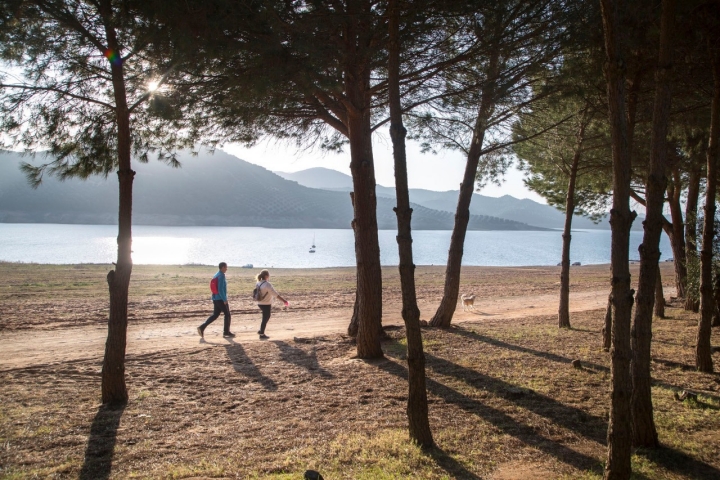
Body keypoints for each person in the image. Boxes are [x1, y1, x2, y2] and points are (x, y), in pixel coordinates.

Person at [197, 262, 234, 338]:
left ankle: (202, 327)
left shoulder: (216, 274)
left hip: (215, 298)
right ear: (223, 267)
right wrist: (224, 299)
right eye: (226, 267)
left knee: (215, 315)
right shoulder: (221, 276)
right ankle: (226, 332)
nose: (227, 269)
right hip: (220, 299)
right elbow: (220, 289)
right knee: (227, 314)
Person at [255, 269, 288, 339]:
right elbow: (275, 294)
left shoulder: (258, 283)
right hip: (266, 304)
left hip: (259, 303)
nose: (269, 276)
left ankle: (261, 330)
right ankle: (262, 334)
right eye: (268, 275)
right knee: (265, 317)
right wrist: (284, 301)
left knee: (266, 316)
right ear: (266, 276)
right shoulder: (267, 284)